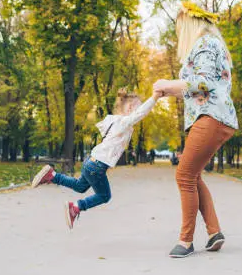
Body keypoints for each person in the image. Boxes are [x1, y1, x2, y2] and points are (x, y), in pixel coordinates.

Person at [154, 1, 238, 258]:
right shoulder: (213, 44)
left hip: (210, 118)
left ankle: (186, 240)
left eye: (181, 28)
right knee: (193, 175)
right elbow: (201, 88)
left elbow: (201, 83)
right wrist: (171, 90)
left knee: (184, 176)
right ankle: (214, 232)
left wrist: (168, 83)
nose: (180, 35)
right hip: (214, 116)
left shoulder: (204, 44)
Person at [31, 88, 162, 230]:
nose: (139, 112)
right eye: (138, 107)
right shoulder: (123, 122)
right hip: (97, 166)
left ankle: (52, 175)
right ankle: (75, 208)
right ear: (130, 108)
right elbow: (140, 113)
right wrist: (155, 97)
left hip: (91, 162)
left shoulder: (115, 122)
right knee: (104, 195)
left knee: (80, 186)